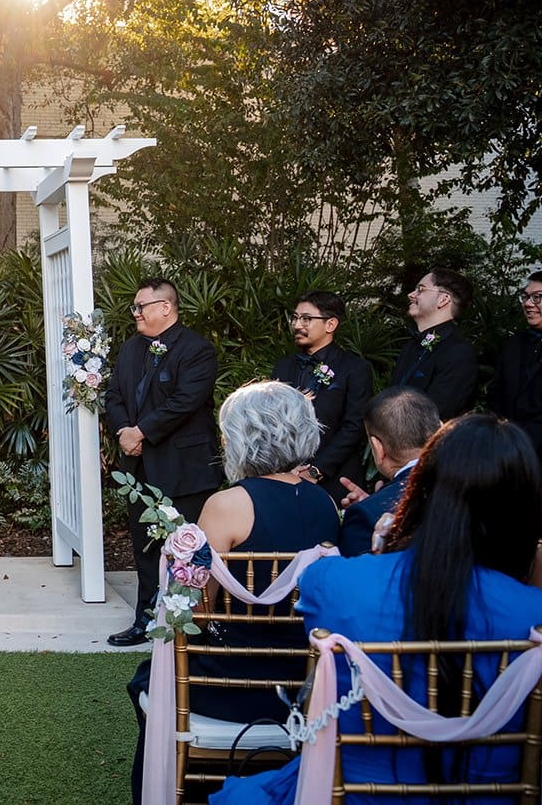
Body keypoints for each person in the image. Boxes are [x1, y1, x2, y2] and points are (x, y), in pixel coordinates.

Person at [212, 415, 542, 804]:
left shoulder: (332, 582)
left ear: (418, 490)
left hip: (356, 794)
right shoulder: (531, 612)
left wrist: (384, 548)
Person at [125, 382, 341, 803]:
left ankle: (181, 789)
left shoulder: (228, 504)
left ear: (241, 438)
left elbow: (196, 608)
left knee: (145, 680)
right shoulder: (324, 504)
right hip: (305, 683)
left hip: (231, 685)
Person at [104, 277, 222, 647]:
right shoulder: (129, 349)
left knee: (189, 547)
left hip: (185, 469)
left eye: (141, 307)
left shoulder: (198, 350)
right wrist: (125, 429)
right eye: (135, 308)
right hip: (138, 469)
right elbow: (114, 395)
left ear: (165, 308)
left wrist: (142, 432)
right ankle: (145, 618)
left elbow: (186, 401)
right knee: (145, 548)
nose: (135, 313)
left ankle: (195, 622)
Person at [270, 290, 371, 503]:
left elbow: (355, 426)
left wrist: (316, 470)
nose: (297, 325)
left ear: (330, 325)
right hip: (286, 477)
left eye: (306, 319)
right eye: (295, 318)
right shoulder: (283, 366)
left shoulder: (354, 368)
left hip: (336, 480)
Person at [337, 388, 439, 557]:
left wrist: (372, 507)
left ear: (378, 448)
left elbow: (355, 580)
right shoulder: (476, 487)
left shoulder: (366, 517)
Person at [388, 267, 478, 419]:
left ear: (443, 299)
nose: (411, 294)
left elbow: (437, 415)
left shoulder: (459, 353)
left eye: (421, 289)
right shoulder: (412, 344)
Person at [490, 269, 542, 452]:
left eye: (537, 297)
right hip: (509, 449)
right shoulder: (513, 344)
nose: (528, 304)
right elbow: (497, 394)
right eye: (526, 297)